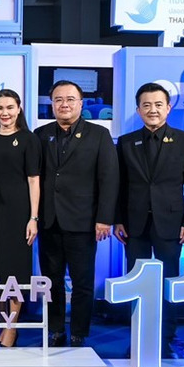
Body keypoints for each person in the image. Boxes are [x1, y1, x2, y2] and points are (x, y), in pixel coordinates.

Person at [113, 82, 184, 358]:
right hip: (134, 224)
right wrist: (117, 220)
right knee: (136, 280)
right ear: (139, 109)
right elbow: (118, 185)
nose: (152, 110)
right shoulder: (126, 142)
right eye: (146, 105)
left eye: (158, 104)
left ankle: (166, 337)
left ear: (168, 108)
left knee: (168, 280)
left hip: (172, 223)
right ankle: (139, 335)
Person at [34, 80, 118, 347]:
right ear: (52, 104)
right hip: (49, 219)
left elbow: (109, 179)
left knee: (82, 281)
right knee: (52, 281)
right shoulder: (40, 134)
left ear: (81, 104)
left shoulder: (99, 135)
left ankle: (79, 331)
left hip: (83, 221)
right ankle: (55, 329)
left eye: (70, 99)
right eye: (58, 100)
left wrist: (104, 218)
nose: (64, 104)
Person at [0, 89, 41, 348]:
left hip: (18, 213)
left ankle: (12, 328)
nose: (4, 113)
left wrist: (33, 217)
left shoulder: (29, 139)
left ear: (18, 109)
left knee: (15, 270)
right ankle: (3, 323)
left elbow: (34, 180)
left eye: (9, 107)